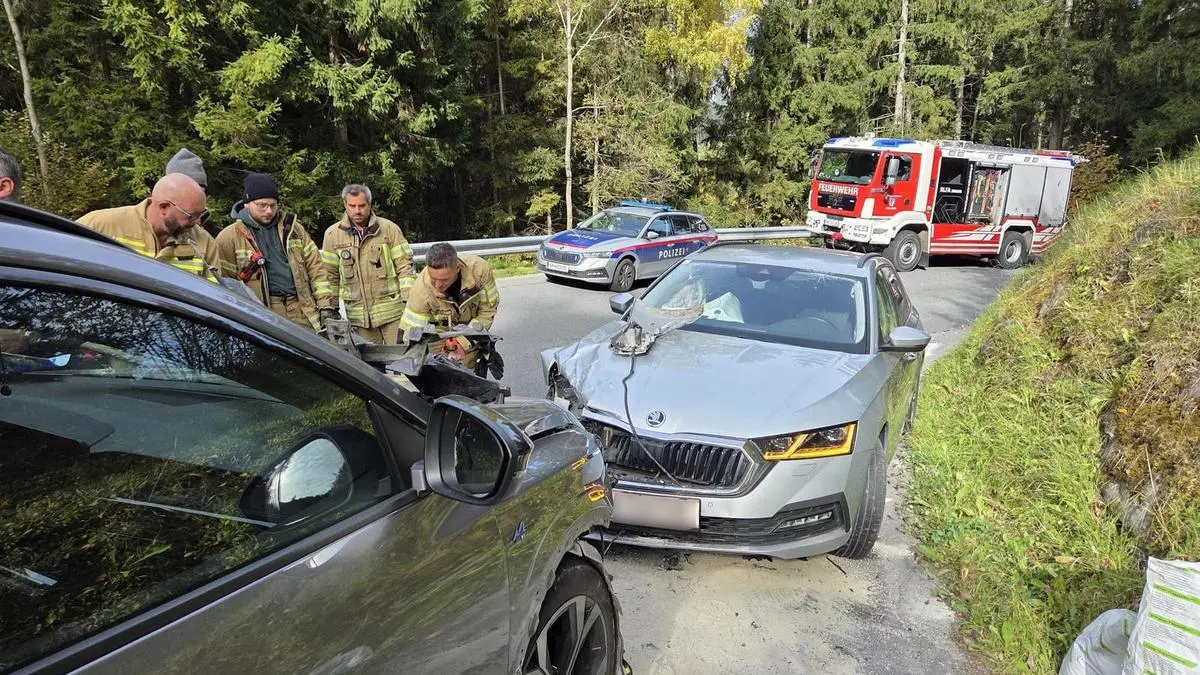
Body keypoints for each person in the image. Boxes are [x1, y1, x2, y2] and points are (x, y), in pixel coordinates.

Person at [215, 173, 334, 331]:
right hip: (263, 313)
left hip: (302, 308)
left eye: (273, 205)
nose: (269, 211)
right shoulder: (229, 237)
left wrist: (325, 306)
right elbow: (225, 284)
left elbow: (316, 268)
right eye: (262, 205)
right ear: (246, 204)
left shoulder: (293, 229)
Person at [77, 173, 220, 282]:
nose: (197, 222)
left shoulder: (204, 243)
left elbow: (216, 300)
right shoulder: (100, 225)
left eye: (201, 214)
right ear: (164, 207)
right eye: (191, 215)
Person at [321, 184, 415, 344]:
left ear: (370, 204)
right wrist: (330, 308)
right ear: (345, 204)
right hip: (359, 317)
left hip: (392, 313)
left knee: (402, 358)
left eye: (362, 205)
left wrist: (409, 302)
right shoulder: (332, 235)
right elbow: (330, 276)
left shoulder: (389, 230)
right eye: (352, 206)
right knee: (370, 364)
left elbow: (405, 267)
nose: (357, 211)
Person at [399, 242, 499, 367]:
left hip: (470, 329)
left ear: (457, 268)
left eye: (444, 280)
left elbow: (486, 312)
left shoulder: (480, 271)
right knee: (436, 372)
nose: (438, 285)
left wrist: (462, 343)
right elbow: (414, 334)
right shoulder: (420, 291)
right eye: (433, 279)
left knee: (467, 376)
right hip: (435, 337)